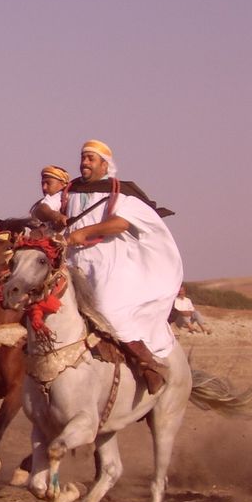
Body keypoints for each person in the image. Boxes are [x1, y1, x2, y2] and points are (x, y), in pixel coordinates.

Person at [62, 141, 184, 393]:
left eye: (90, 159)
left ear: (105, 165)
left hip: (108, 267)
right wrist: (52, 215)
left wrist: (84, 232)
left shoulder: (122, 192)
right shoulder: (69, 191)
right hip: (72, 263)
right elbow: (42, 207)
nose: (84, 162)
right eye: (83, 158)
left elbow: (120, 223)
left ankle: (148, 364)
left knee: (108, 310)